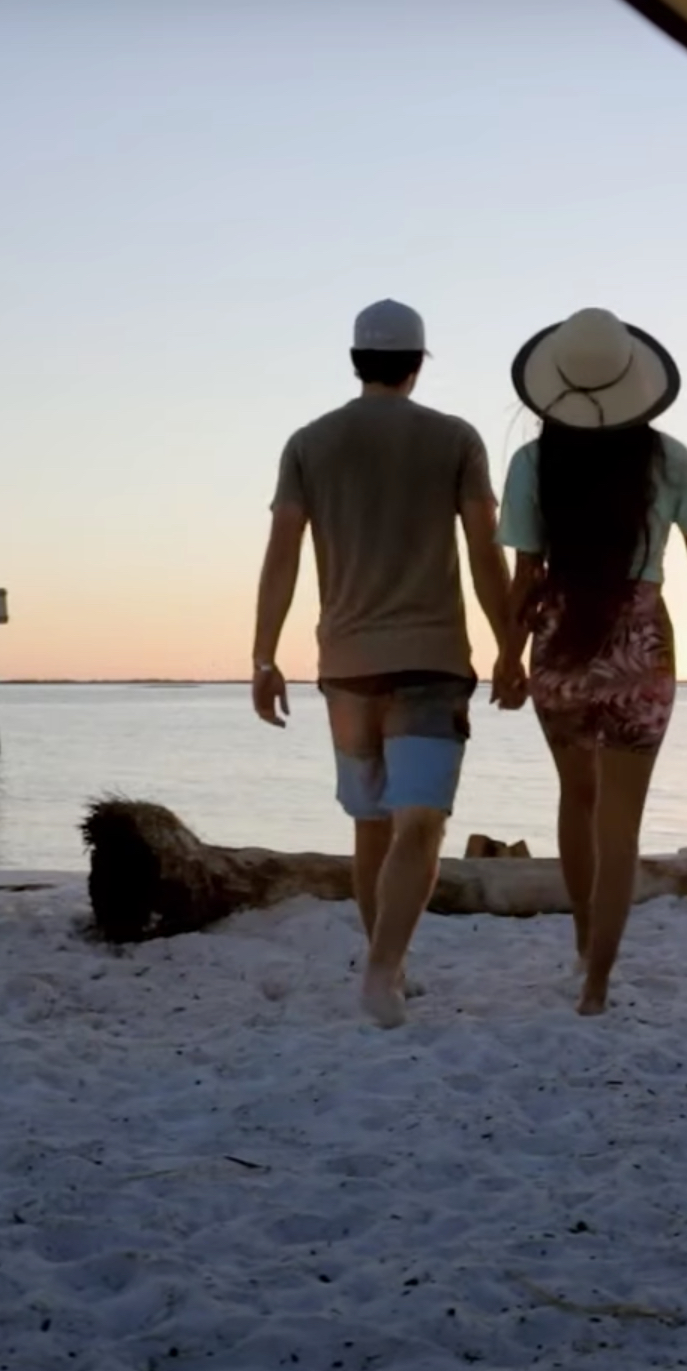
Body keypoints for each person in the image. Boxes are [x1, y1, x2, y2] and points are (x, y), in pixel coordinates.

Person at [251, 299, 520, 1028]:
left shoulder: (309, 442)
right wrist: (508, 643)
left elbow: (282, 556)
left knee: (372, 827)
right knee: (420, 826)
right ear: (416, 364)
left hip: (346, 665)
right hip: (431, 659)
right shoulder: (455, 439)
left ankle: (387, 967)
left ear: (355, 360)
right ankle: (381, 971)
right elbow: (482, 550)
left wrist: (263, 655)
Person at [495, 307, 687, 1016]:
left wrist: (508, 656)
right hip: (642, 645)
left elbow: (524, 575)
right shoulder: (669, 458)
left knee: (577, 798)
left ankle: (582, 946)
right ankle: (598, 985)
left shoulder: (533, 462)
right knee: (621, 824)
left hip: (561, 642)